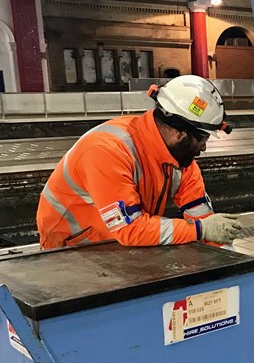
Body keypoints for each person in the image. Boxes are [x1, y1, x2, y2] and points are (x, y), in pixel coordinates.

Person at [36, 75, 242, 249]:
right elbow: (131, 228)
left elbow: (204, 219)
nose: (203, 148)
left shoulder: (181, 161)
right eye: (202, 140)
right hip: (71, 249)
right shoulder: (107, 151)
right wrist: (200, 230)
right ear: (180, 133)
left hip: (123, 245)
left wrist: (234, 260)